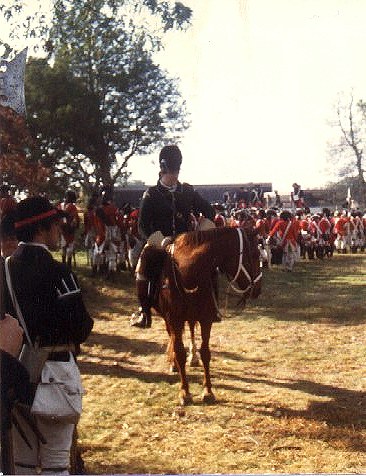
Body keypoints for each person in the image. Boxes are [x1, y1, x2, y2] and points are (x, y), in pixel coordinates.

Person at [4, 195, 93, 475]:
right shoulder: (59, 272)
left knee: (23, 463)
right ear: (41, 229)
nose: (59, 231)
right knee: (56, 463)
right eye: (56, 225)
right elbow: (82, 327)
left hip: (15, 376)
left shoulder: (4, 270)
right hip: (55, 376)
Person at [131, 145, 215, 329]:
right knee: (142, 266)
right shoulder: (151, 194)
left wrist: (198, 234)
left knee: (209, 265)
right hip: (161, 243)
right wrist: (161, 241)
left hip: (186, 244)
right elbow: (143, 226)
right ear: (163, 169)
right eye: (171, 172)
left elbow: (209, 210)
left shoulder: (187, 191)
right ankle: (144, 311)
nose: (174, 176)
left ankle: (212, 307)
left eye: (176, 171)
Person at [59, 190, 80, 268]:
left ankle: (66, 264)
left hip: (65, 229)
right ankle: (67, 265)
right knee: (67, 247)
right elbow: (75, 218)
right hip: (67, 229)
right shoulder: (69, 206)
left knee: (65, 247)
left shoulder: (62, 206)